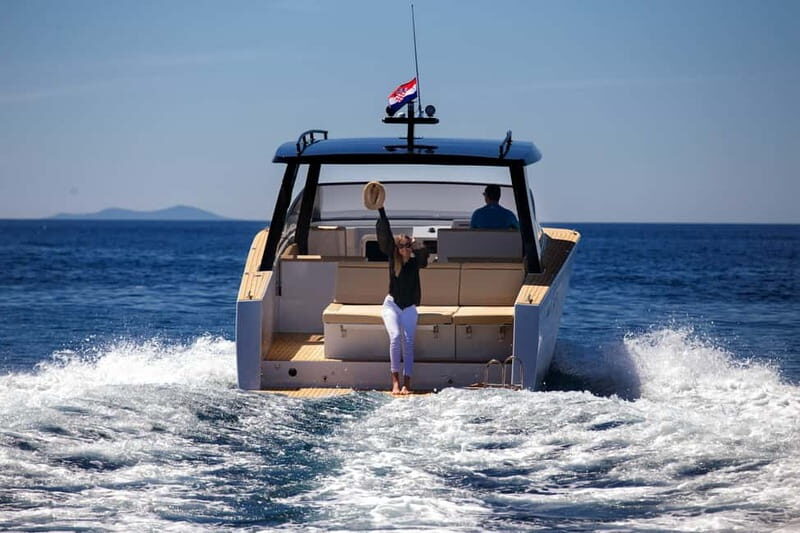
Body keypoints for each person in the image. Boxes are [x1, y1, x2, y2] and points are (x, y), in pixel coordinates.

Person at [376, 209, 429, 395]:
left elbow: (424, 255)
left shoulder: (416, 263)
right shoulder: (393, 260)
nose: (404, 250)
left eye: (407, 246)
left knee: (408, 341)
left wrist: (414, 243)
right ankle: (395, 382)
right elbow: (385, 237)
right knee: (396, 337)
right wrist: (381, 211)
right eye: (401, 247)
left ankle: (407, 383)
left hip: (409, 308)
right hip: (391, 305)